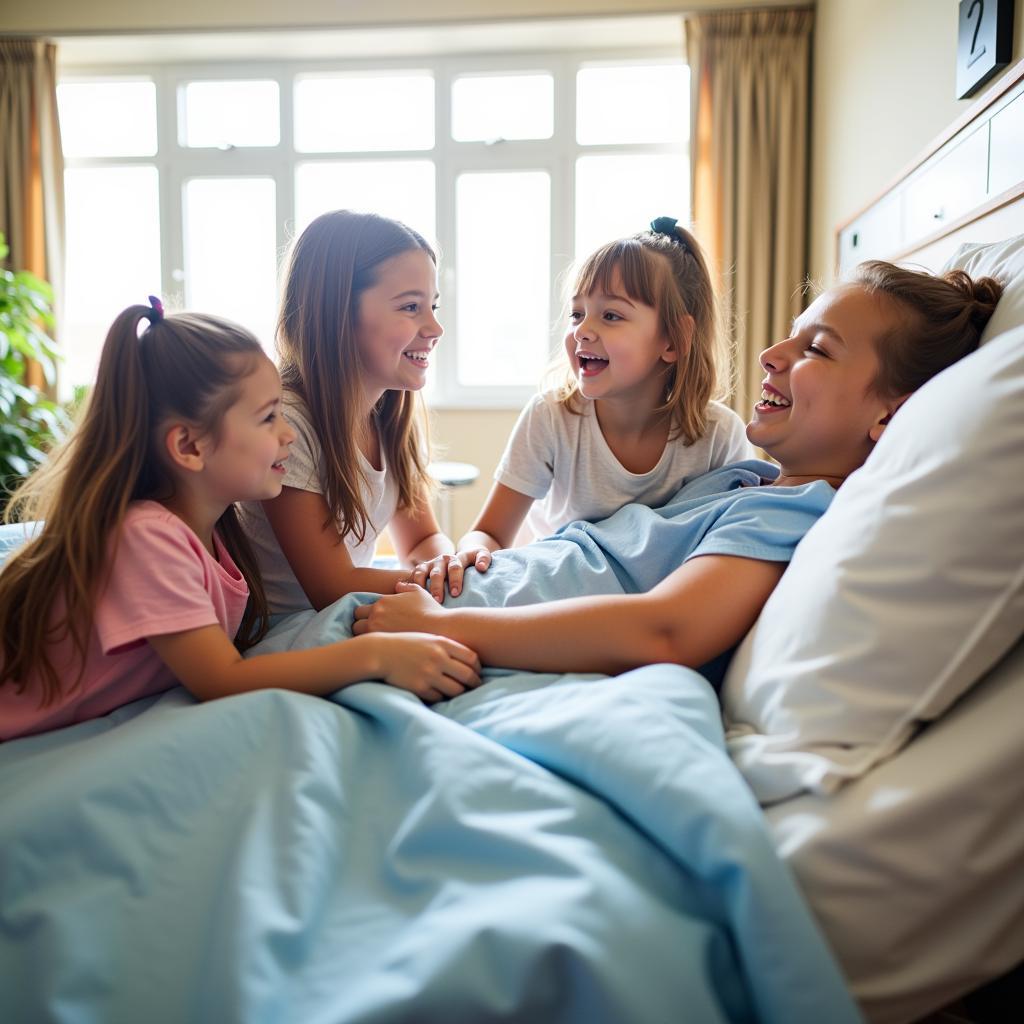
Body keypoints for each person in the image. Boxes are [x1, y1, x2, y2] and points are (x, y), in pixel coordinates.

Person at [353, 261, 1003, 679]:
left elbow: (667, 629)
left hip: (474, 620)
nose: (773, 354)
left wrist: (442, 626)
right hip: (493, 586)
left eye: (818, 350)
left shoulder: (794, 510)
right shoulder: (749, 483)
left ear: (892, 415)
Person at [0, 301, 481, 742]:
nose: (289, 433)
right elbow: (221, 679)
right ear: (189, 446)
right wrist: (376, 655)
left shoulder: (213, 535)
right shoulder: (148, 537)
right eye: (269, 417)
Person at [413, 217, 751, 600]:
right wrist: (474, 551)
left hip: (652, 602)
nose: (582, 331)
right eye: (577, 314)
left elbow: (728, 549)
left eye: (611, 315)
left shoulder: (718, 435)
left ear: (673, 340)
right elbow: (490, 532)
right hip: (562, 592)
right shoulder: (552, 417)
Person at [237, 210, 455, 615]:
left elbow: (422, 540)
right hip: (292, 632)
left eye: (433, 307)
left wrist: (444, 563)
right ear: (338, 311)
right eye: (411, 307)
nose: (434, 327)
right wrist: (430, 582)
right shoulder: (288, 426)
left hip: (340, 616)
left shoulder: (389, 415)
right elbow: (333, 586)